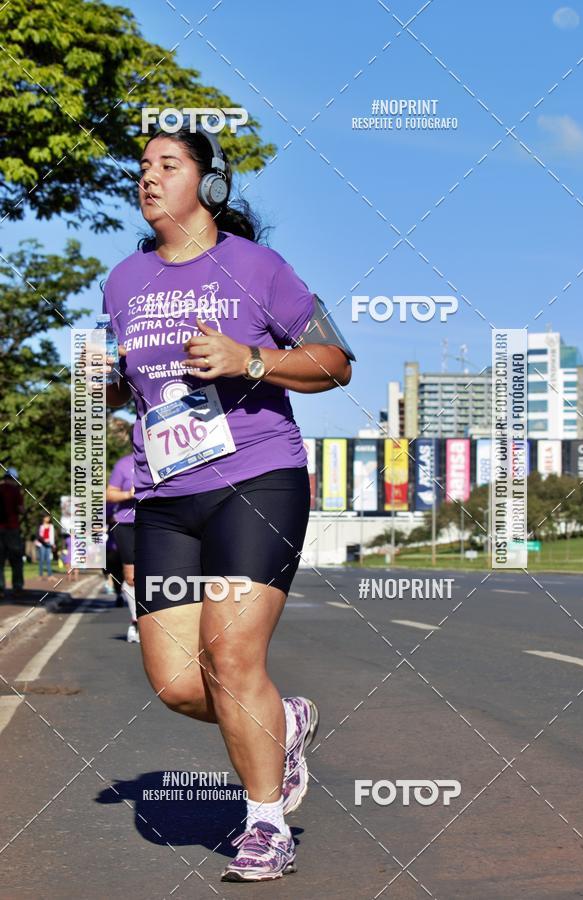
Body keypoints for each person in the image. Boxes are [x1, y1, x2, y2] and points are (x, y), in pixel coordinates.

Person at [102, 122, 355, 882]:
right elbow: (141, 385)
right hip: (167, 496)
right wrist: (116, 388)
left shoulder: (255, 266)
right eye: (143, 167)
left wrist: (251, 359)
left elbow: (335, 360)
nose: (149, 177)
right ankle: (283, 722)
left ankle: (266, 824)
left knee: (232, 657)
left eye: (168, 165)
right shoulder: (121, 281)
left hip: (256, 478)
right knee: (181, 683)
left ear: (208, 184)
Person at [106, 447, 138, 642]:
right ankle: (136, 621)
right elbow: (109, 494)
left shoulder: (163, 457)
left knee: (157, 574)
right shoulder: (124, 464)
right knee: (132, 577)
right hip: (126, 523)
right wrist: (129, 494)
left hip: (156, 521)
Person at [0, 467, 25, 599]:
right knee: (16, 560)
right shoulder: (16, 491)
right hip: (12, 529)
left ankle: (1, 589)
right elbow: (21, 509)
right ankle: (17, 587)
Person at [35, 514, 55, 580]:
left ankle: (50, 576)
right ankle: (40, 575)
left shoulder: (51, 526)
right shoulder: (40, 526)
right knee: (41, 560)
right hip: (41, 544)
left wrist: (53, 544)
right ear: (43, 518)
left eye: (49, 518)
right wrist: (43, 541)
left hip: (48, 544)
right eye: (46, 517)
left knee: (48, 560)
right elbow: (38, 535)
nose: (48, 519)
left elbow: (52, 536)